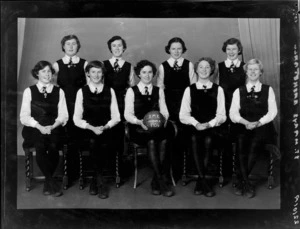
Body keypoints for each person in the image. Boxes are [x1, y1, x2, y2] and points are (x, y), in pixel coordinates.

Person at [124, 60, 174, 197]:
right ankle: (161, 180)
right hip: (139, 128)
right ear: (138, 74)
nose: (147, 75)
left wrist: (162, 121)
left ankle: (155, 181)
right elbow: (127, 114)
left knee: (164, 140)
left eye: (150, 72)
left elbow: (164, 111)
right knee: (152, 141)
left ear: (153, 74)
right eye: (144, 72)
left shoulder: (159, 90)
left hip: (156, 126)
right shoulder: (131, 91)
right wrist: (138, 122)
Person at [230, 58, 277, 198]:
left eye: (256, 69)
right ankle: (246, 182)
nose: (253, 72)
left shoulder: (268, 89)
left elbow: (273, 112)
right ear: (246, 72)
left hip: (262, 127)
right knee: (241, 141)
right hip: (243, 125)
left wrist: (258, 122)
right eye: (250, 69)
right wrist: (245, 122)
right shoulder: (239, 91)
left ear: (261, 72)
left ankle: (241, 180)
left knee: (256, 142)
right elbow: (233, 113)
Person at [20, 60, 68, 197]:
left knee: (53, 145)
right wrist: (39, 127)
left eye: (49, 71)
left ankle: (48, 182)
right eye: (43, 71)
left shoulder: (59, 91)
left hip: (54, 127)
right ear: (37, 73)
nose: (47, 74)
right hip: (35, 128)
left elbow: (64, 115)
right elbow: (24, 116)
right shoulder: (29, 91)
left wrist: (52, 126)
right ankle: (50, 180)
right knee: (40, 145)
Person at [179, 57, 226, 197]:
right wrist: (196, 124)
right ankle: (204, 182)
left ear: (211, 70)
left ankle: (200, 181)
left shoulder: (219, 89)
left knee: (208, 140)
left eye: (207, 67)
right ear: (196, 70)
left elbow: (222, 115)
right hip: (194, 127)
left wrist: (209, 124)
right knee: (194, 139)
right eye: (201, 67)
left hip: (213, 127)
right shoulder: (189, 89)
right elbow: (183, 115)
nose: (204, 70)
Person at [73, 60, 120, 199]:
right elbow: (76, 118)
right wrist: (92, 128)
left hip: (106, 129)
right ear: (87, 74)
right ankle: (101, 184)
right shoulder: (81, 92)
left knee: (100, 143)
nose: (96, 75)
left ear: (103, 74)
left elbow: (116, 116)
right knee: (93, 142)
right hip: (87, 130)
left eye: (99, 72)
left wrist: (105, 127)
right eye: (93, 72)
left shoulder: (109, 90)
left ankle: (94, 179)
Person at [157, 37, 196, 181]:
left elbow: (193, 87)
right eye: (173, 48)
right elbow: (160, 89)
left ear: (183, 49)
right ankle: (170, 170)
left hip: (185, 104)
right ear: (169, 49)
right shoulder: (163, 66)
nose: (176, 51)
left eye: (179, 48)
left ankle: (184, 169)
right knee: (171, 136)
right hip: (169, 104)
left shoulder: (189, 65)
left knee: (184, 135)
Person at [53, 34, 88, 184]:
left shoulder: (85, 64)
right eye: (68, 44)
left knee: (79, 137)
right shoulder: (57, 65)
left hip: (80, 105)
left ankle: (80, 172)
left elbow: (88, 86)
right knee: (66, 137)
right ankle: (67, 172)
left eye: (74, 44)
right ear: (63, 47)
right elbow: (52, 87)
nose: (71, 46)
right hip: (64, 106)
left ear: (78, 46)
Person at [102, 35, 135, 167]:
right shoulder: (103, 65)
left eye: (120, 45)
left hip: (122, 102)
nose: (117, 48)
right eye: (114, 46)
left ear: (124, 48)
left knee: (120, 132)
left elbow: (132, 87)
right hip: (107, 102)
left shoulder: (128, 66)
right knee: (108, 130)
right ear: (110, 48)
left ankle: (120, 163)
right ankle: (108, 163)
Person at [216, 38, 246, 177]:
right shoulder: (219, 66)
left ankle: (239, 170)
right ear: (225, 50)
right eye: (229, 49)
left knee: (239, 136)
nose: (231, 52)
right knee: (224, 137)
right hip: (223, 107)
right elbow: (216, 89)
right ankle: (225, 170)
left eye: (234, 49)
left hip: (238, 108)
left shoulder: (245, 66)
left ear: (239, 50)